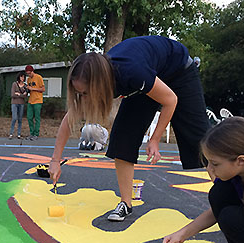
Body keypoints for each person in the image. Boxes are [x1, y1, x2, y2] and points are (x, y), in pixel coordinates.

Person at [48, 36, 209, 221]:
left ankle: (231, 196)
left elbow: (170, 100)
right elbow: (70, 119)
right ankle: (126, 202)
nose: (82, 98)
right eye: (79, 93)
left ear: (100, 84)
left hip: (178, 71)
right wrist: (54, 160)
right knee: (123, 138)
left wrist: (154, 139)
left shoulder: (131, 72)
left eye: (85, 93)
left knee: (203, 142)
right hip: (149, 75)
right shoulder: (117, 78)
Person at [25, 65, 45, 141]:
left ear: (32, 71)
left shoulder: (39, 77)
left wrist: (33, 89)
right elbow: (29, 90)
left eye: (29, 73)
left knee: (37, 118)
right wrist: (27, 90)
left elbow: (43, 89)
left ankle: (36, 134)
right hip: (31, 100)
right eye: (27, 74)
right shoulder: (28, 80)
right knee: (29, 117)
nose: (29, 75)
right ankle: (31, 133)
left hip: (38, 100)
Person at [9, 71, 28, 139]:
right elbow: (12, 95)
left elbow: (25, 96)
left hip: (21, 104)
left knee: (20, 119)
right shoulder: (14, 84)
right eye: (21, 76)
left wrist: (19, 94)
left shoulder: (25, 86)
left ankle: (19, 134)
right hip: (14, 103)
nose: (22, 78)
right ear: (19, 77)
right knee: (14, 118)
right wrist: (21, 95)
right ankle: (11, 133)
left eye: (23, 77)